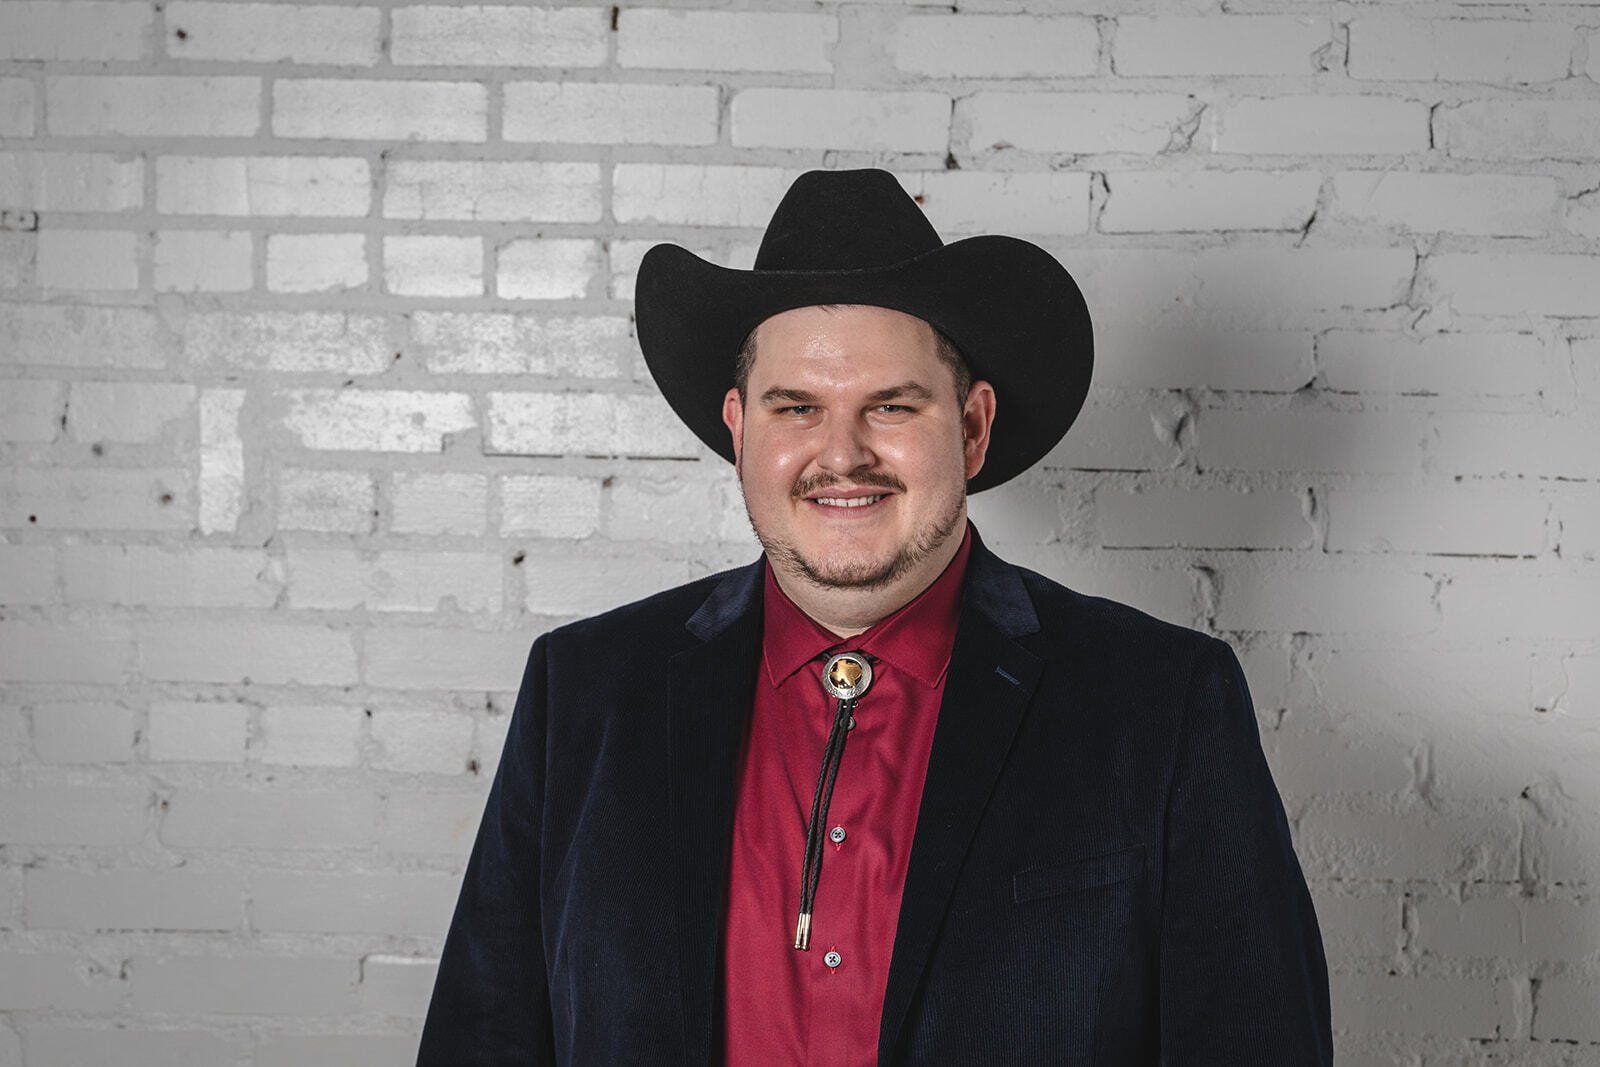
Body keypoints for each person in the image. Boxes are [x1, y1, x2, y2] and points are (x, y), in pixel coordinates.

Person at [416, 167, 1332, 1065]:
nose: (841, 454)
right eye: (796, 407)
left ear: (971, 428)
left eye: (891, 405)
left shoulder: (1163, 707)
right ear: (738, 429)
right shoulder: (582, 695)